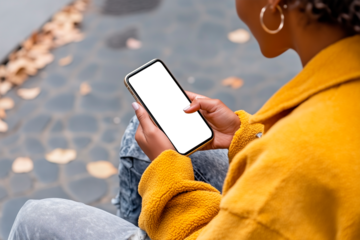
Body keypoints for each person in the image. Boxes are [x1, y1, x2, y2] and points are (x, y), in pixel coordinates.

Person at [9, 0, 360, 239]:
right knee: (149, 132)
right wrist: (243, 135)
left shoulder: (294, 163)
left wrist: (167, 173)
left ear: (274, 6)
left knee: (36, 218)